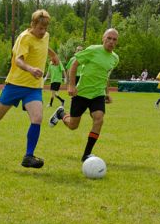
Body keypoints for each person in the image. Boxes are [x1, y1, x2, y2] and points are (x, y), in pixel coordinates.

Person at [0, 9, 59, 169]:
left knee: (37, 118)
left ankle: (28, 156)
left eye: (45, 28)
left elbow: (44, 46)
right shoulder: (24, 38)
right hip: (15, 84)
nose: (43, 32)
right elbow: (19, 61)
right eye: (40, 28)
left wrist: (53, 55)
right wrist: (31, 69)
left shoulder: (45, 36)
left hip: (34, 87)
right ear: (32, 24)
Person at [49, 28, 119, 162]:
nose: (111, 41)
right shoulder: (93, 50)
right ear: (103, 38)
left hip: (97, 94)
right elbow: (74, 65)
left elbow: (106, 76)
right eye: (109, 38)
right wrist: (71, 85)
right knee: (73, 126)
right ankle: (61, 114)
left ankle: (86, 154)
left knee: (99, 118)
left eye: (114, 39)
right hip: (81, 93)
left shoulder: (115, 59)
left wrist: (107, 93)